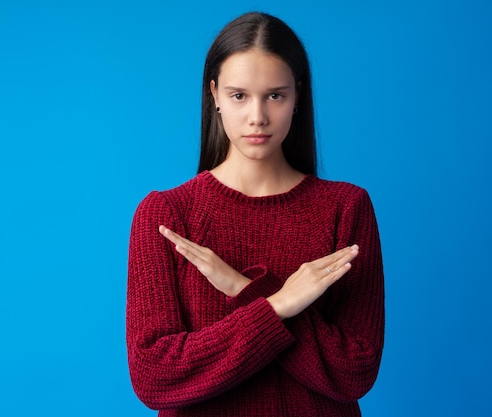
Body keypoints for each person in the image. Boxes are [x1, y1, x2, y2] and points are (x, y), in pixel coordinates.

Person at [126, 11, 384, 417]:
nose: (257, 116)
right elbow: (154, 376)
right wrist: (278, 304)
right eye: (239, 95)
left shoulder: (345, 208)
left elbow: (355, 371)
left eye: (275, 95)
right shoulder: (167, 214)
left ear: (298, 96)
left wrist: (242, 287)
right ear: (214, 95)